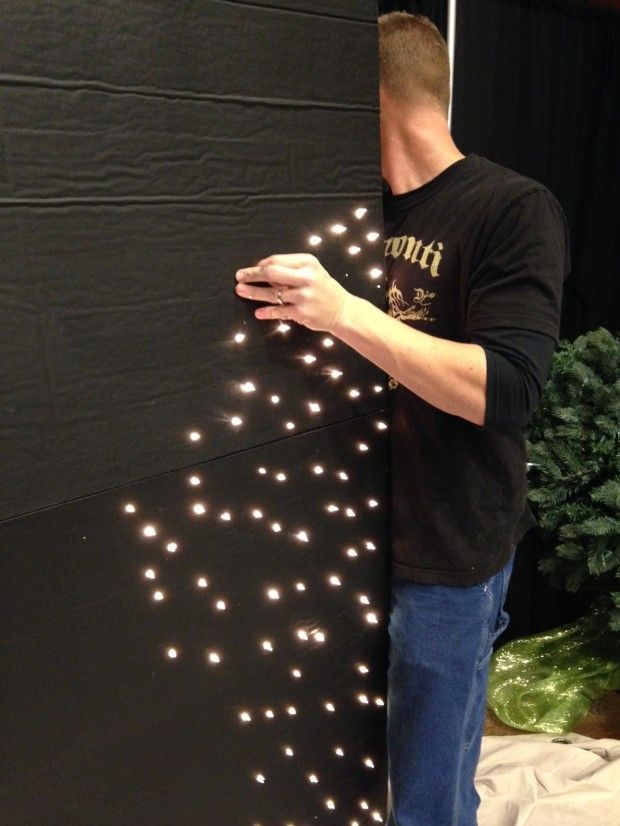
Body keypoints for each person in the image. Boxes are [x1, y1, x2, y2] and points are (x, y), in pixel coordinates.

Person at [234, 11, 569, 826]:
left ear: (371, 97)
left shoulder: (512, 208)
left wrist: (345, 311)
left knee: (424, 791)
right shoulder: (362, 209)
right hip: (349, 538)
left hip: (450, 547)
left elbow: (508, 388)